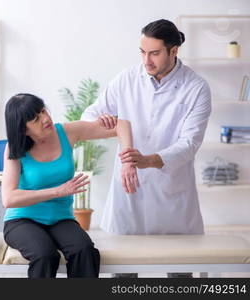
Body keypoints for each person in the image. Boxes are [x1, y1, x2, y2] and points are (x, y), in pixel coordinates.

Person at [81, 19, 211, 278]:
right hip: (130, 192)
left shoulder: (196, 88)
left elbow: (189, 143)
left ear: (174, 51)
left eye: (154, 53)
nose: (146, 61)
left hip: (172, 192)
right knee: (124, 274)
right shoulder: (126, 79)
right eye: (142, 52)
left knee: (180, 274)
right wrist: (105, 122)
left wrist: (149, 160)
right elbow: (88, 116)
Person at [1, 93, 135, 278]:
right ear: (23, 130)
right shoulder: (15, 148)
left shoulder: (66, 132)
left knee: (85, 250)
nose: (46, 118)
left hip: (60, 218)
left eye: (43, 111)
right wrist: (58, 191)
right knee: (45, 255)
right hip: (22, 220)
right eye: (35, 118)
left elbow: (122, 125)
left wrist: (128, 160)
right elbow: (9, 198)